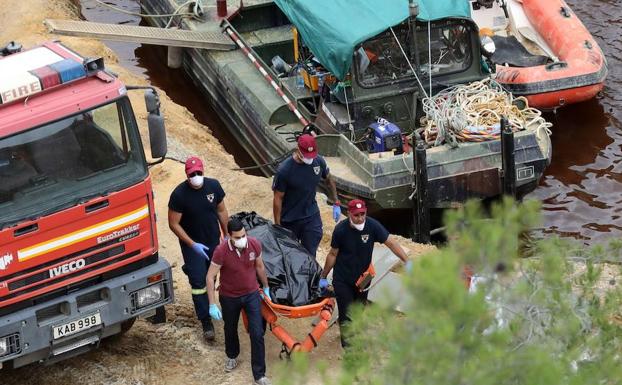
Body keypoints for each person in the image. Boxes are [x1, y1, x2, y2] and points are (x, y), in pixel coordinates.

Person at [319, 199, 410, 348]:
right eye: (356, 215)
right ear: (349, 213)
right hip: (343, 279)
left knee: (359, 311)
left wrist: (407, 261)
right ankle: (349, 347)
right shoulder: (341, 230)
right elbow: (333, 255)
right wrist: (323, 276)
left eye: (363, 214)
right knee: (347, 313)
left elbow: (391, 243)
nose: (360, 218)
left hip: (363, 278)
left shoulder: (372, 226)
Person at [168, 156, 228, 342]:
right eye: (192, 174)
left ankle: (217, 305)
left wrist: (226, 237)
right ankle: (205, 321)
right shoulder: (179, 195)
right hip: (192, 246)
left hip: (213, 242)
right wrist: (192, 244)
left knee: (213, 276)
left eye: (198, 173)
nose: (196, 176)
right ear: (187, 175)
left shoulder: (214, 187)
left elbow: (221, 211)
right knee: (198, 284)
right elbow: (173, 223)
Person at [207, 217, 272, 385]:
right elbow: (210, 276)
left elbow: (259, 266)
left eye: (243, 235)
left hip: (251, 294)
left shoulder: (254, 244)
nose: (242, 239)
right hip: (229, 297)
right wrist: (212, 304)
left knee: (257, 333)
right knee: (230, 328)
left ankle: (259, 374)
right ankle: (232, 356)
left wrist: (265, 287)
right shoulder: (221, 251)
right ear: (229, 236)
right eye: (237, 237)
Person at [272, 134, 340, 257]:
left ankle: (310, 275)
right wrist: (278, 226)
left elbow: (329, 179)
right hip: (290, 219)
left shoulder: (318, 162)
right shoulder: (285, 171)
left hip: (311, 215)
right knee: (291, 255)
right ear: (298, 150)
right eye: (306, 156)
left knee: (310, 253)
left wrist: (336, 202)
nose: (309, 159)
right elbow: (278, 198)